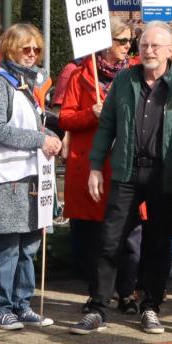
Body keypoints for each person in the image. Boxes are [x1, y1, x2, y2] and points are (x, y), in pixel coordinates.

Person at [70, 21, 172, 335]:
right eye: (143, 45)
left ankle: (150, 305)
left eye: (156, 46)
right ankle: (97, 306)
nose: (148, 51)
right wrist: (96, 165)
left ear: (170, 50)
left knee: (157, 245)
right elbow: (108, 126)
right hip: (127, 171)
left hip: (165, 176)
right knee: (110, 240)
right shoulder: (125, 80)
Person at [0, 23, 58, 331]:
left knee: (29, 245)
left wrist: (50, 136)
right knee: (8, 245)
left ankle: (22, 303)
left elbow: (33, 126)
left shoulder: (28, 83)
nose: (33, 54)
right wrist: (40, 140)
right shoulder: (0, 83)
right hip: (8, 177)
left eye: (37, 49)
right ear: (10, 49)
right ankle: (1, 305)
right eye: (27, 49)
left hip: (30, 176)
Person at [59, 17, 140, 312]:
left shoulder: (134, 73)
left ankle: (128, 291)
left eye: (130, 41)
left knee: (130, 233)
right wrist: (91, 114)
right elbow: (65, 118)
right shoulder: (81, 75)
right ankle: (99, 294)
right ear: (106, 42)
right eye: (122, 41)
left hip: (124, 165)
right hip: (92, 164)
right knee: (96, 238)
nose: (127, 47)